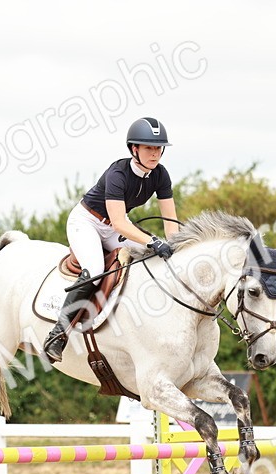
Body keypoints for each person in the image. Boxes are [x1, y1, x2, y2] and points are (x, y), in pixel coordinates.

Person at [43, 116, 180, 363]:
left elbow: (170, 222)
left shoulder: (161, 175)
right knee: (95, 269)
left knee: (155, 257)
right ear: (133, 149)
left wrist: (173, 248)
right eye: (149, 147)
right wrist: (152, 241)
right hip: (87, 222)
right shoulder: (118, 172)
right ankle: (57, 335)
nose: (155, 153)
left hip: (113, 228)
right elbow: (119, 222)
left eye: (159, 148)